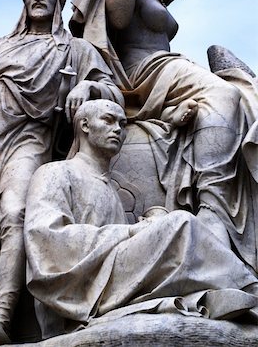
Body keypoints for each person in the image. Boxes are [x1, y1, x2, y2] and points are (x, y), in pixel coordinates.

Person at [69, 0, 258, 272]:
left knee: (237, 96)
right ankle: (213, 207)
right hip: (145, 70)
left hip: (167, 65)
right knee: (226, 95)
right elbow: (119, 17)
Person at [0, 0, 123, 346]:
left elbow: (113, 92)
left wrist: (88, 84)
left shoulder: (74, 49)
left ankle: (5, 312)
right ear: (24, 2)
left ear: (57, 1)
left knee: (15, 213)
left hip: (30, 136)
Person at [24, 100, 258, 339]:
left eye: (123, 124)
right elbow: (46, 241)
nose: (117, 129)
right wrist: (133, 232)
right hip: (79, 288)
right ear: (84, 125)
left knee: (175, 232)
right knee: (181, 224)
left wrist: (146, 226)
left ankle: (231, 294)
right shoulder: (55, 173)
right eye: (108, 120)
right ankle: (250, 289)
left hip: (110, 276)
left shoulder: (110, 190)